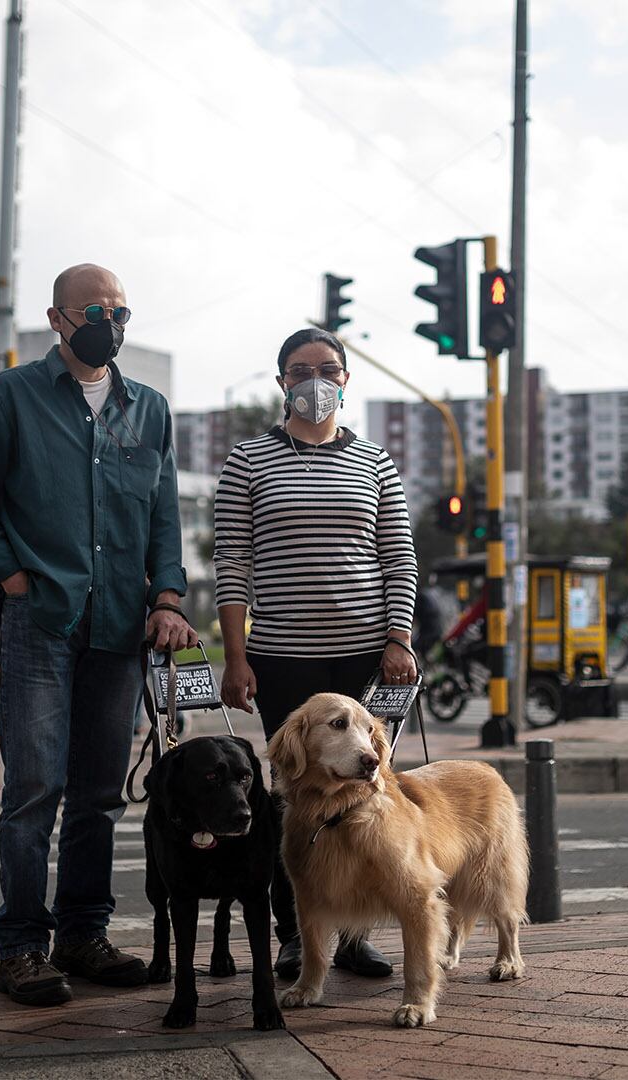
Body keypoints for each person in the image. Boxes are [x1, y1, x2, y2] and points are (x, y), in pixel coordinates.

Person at [0, 263, 197, 1008]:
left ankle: (82, 935)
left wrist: (166, 595)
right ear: (58, 319)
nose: (111, 323)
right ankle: (23, 947)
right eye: (96, 310)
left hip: (122, 624)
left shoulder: (150, 409)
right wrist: (13, 577)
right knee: (35, 788)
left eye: (121, 311)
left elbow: (164, 515)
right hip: (41, 619)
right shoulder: (9, 397)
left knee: (99, 794)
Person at [214, 326, 418, 983]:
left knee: (367, 798)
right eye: (299, 371)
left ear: (346, 380)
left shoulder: (376, 463)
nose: (314, 382)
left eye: (327, 369)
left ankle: (354, 935)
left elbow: (398, 558)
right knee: (297, 802)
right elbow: (233, 564)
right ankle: (298, 938)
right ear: (281, 383)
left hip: (366, 661)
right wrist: (236, 657)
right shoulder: (248, 461)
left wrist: (399, 639)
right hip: (281, 661)